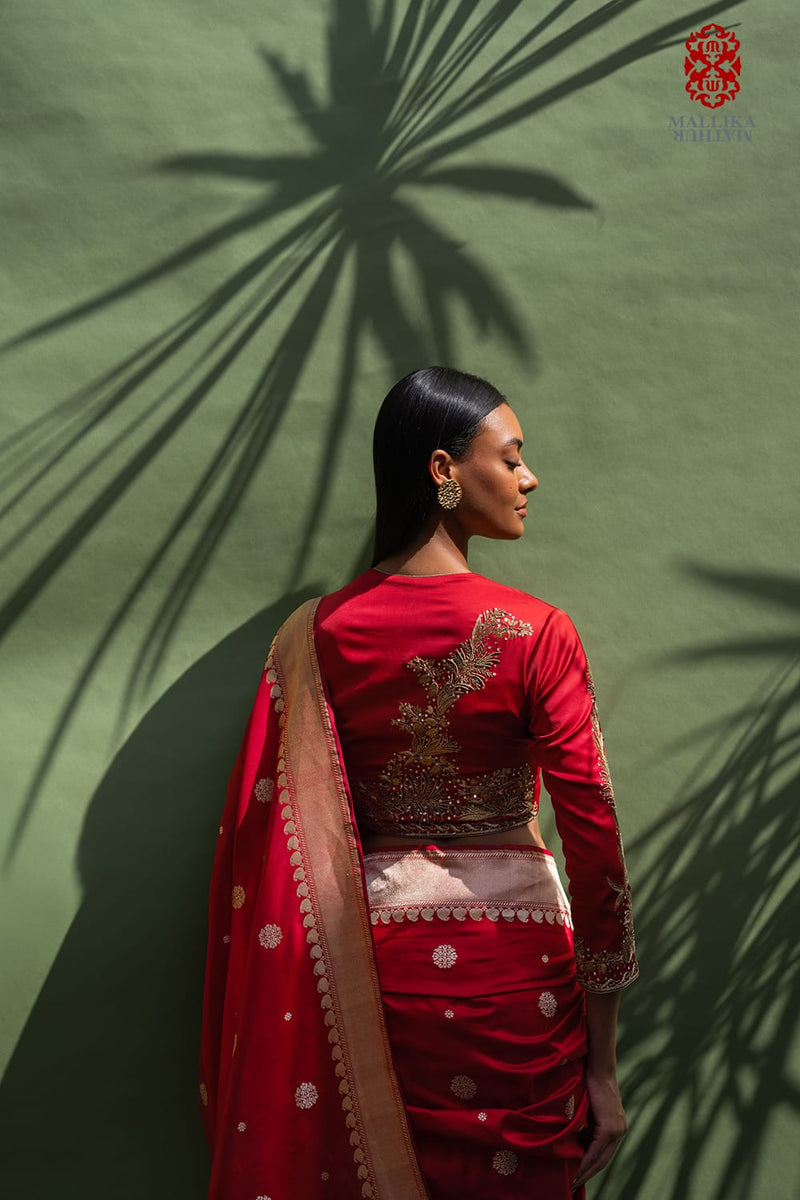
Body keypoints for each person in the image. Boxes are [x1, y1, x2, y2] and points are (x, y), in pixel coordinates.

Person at [199, 366, 638, 1200]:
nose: (528, 477)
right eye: (511, 458)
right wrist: (604, 1064)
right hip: (517, 981)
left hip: (372, 972)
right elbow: (597, 847)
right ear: (443, 470)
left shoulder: (316, 634)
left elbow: (280, 841)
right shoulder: (537, 632)